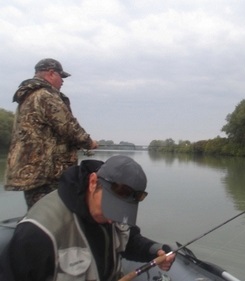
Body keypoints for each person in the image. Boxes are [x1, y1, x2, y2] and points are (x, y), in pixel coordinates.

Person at [0, 155, 176, 281]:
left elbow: (130, 241)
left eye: (121, 211)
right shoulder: (37, 233)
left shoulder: (113, 217)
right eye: (110, 208)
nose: (111, 220)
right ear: (93, 182)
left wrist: (155, 250)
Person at [4, 58, 98, 209]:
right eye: (62, 76)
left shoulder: (28, 96)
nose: (63, 81)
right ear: (51, 73)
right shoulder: (45, 95)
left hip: (32, 171)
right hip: (46, 173)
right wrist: (89, 143)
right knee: (50, 214)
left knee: (37, 211)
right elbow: (68, 126)